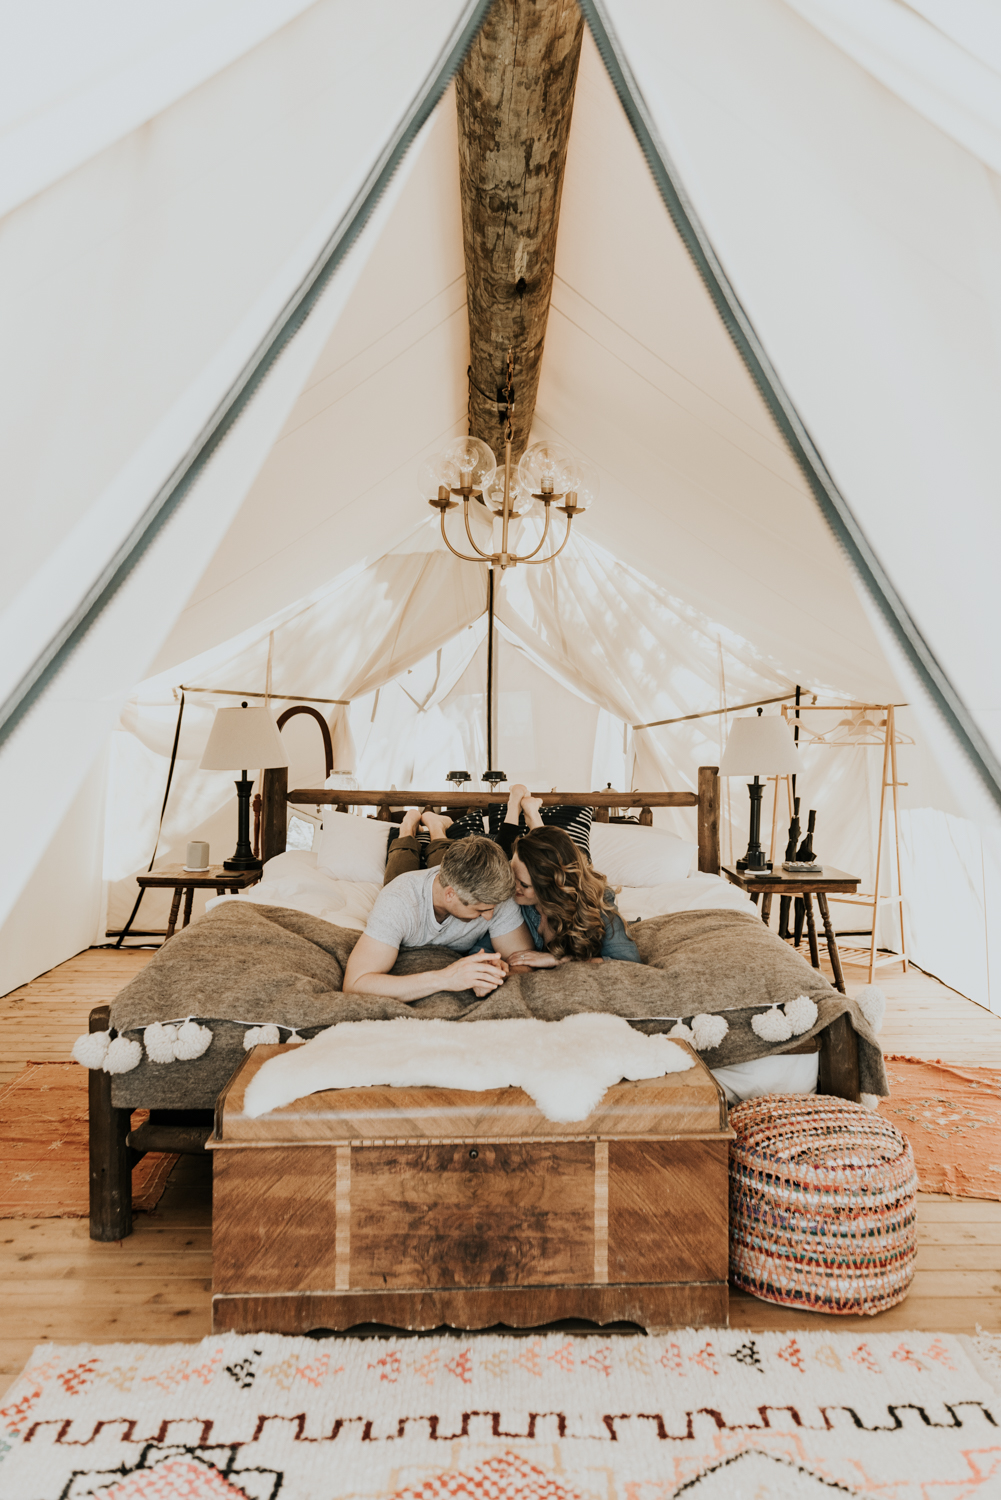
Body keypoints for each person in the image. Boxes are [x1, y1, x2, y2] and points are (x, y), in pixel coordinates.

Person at [343, 817, 533, 1000]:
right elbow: (355, 984)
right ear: (450, 895)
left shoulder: (495, 895)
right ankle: (408, 827)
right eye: (480, 911)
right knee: (401, 860)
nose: (489, 917)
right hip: (410, 885)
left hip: (445, 881)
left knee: (440, 855)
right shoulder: (398, 901)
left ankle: (436, 827)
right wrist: (447, 978)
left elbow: (526, 963)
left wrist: (495, 975)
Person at [497, 784, 640, 966]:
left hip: (567, 873)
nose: (513, 887)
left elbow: (629, 961)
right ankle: (519, 808)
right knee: (502, 856)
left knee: (550, 855)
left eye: (524, 885)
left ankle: (531, 814)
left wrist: (560, 959)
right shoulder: (513, 894)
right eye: (513, 876)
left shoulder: (598, 900)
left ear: (553, 886)